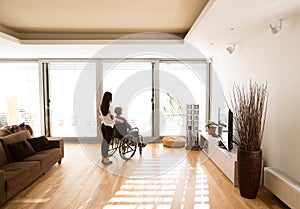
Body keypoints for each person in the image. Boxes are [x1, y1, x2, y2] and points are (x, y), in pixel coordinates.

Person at [99, 92, 123, 165]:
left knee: (104, 142)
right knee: (107, 143)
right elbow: (112, 118)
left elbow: (100, 116)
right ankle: (106, 160)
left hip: (103, 125)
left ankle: (103, 157)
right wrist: (119, 120)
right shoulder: (110, 107)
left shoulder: (101, 106)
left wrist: (105, 119)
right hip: (109, 127)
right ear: (110, 98)